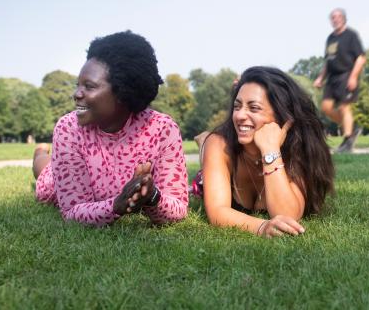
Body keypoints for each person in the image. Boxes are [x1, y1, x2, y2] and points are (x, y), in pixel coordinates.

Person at [33, 31, 188, 227]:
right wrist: (115, 206)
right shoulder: (68, 128)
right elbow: (72, 211)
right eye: (77, 85)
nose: (76, 94)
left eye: (89, 86)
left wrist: (152, 196)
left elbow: (179, 207)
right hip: (58, 180)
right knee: (46, 176)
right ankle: (39, 151)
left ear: (122, 92)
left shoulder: (163, 129)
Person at [197, 66, 335, 238]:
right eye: (237, 106)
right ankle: (202, 141)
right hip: (215, 152)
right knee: (207, 147)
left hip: (274, 147)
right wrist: (261, 227)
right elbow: (217, 211)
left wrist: (270, 150)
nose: (239, 115)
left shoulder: (297, 149)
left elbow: (288, 214)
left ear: (281, 115)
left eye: (253, 108)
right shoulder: (219, 144)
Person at [314, 8, 366, 153]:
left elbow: (361, 58)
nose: (335, 19)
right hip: (332, 78)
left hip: (346, 75)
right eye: (332, 17)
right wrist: (320, 78)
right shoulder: (330, 38)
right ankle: (351, 128)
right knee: (326, 108)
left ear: (344, 18)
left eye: (338, 17)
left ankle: (348, 141)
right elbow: (327, 61)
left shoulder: (351, 35)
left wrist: (354, 77)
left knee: (344, 107)